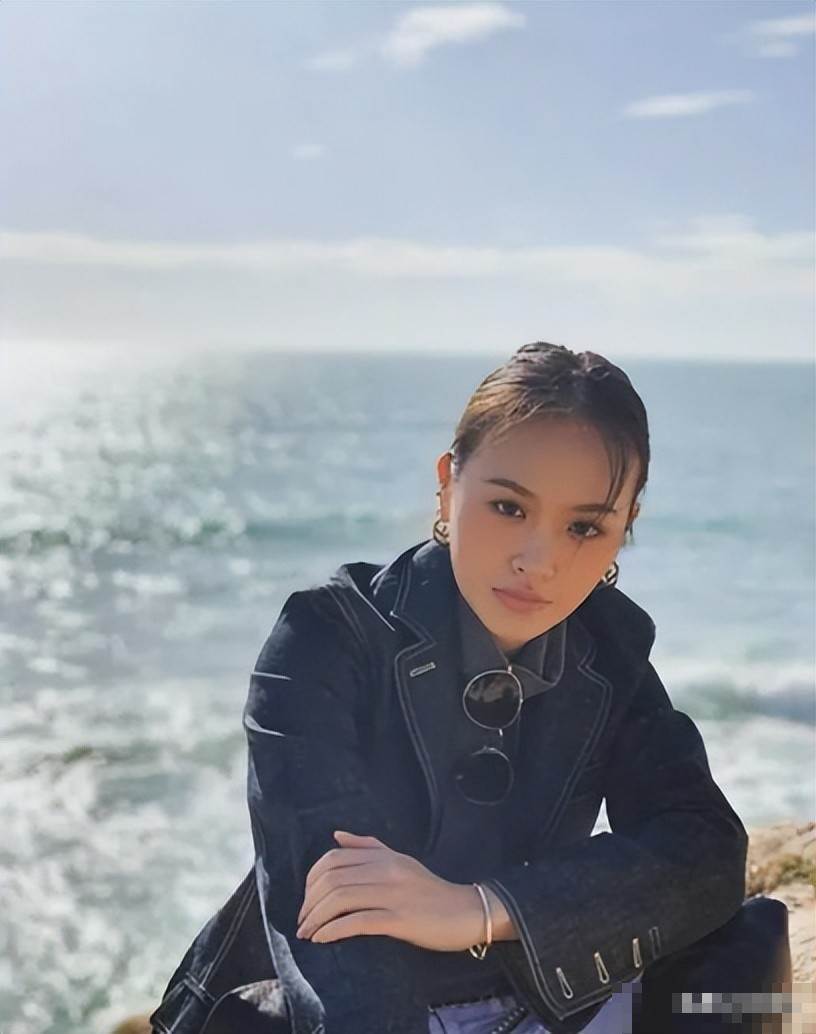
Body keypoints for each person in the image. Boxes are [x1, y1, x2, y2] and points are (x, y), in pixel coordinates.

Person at [149, 342, 791, 1034]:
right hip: (346, 1011)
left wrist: (482, 908)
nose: (539, 562)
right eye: (508, 507)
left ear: (624, 527)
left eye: (584, 526)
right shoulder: (325, 639)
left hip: (532, 991)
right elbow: (335, 940)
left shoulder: (609, 648)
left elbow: (703, 850)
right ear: (447, 485)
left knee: (747, 952)